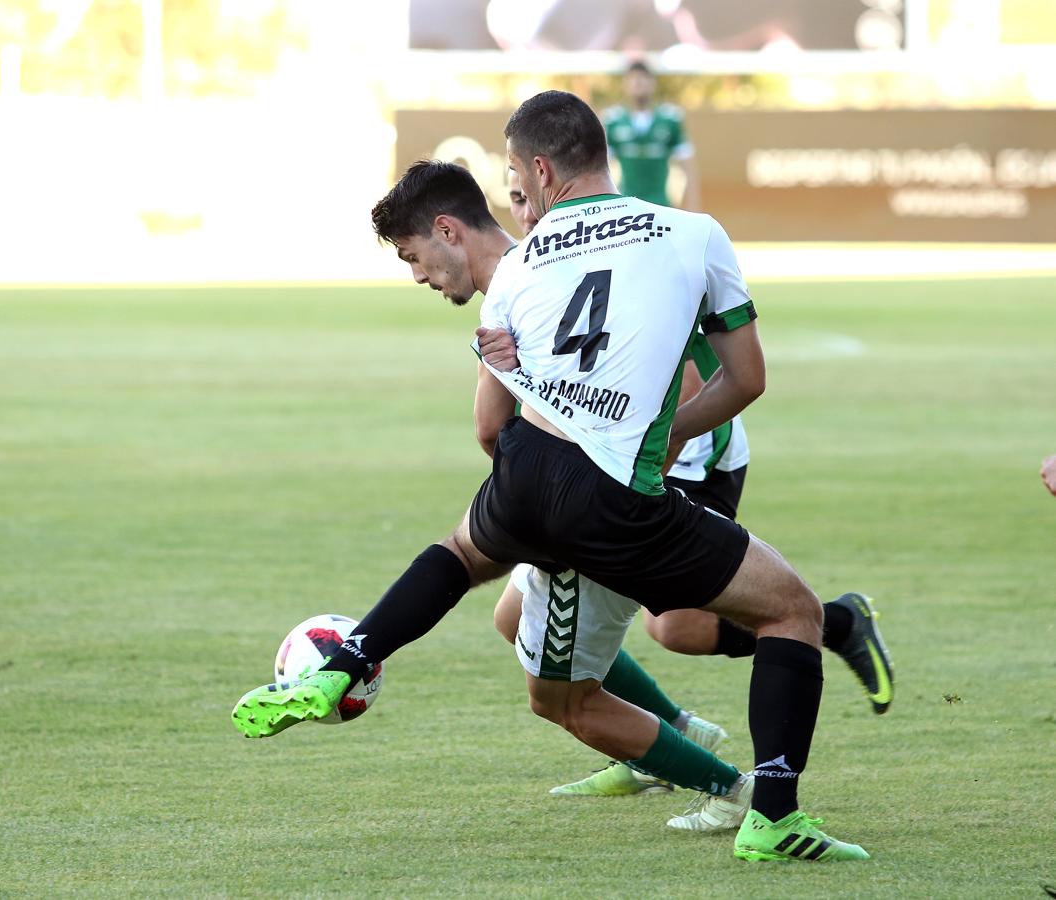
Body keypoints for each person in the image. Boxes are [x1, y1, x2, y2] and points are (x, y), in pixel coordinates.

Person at [234, 91, 870, 862]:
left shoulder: (521, 262)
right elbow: (743, 381)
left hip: (525, 468)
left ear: (539, 169)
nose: (515, 191)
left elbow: (489, 428)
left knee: (466, 554)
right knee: (791, 610)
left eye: (512, 173)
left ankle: (351, 656)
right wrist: (655, 433)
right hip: (611, 489)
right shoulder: (693, 234)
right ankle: (772, 815)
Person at [502, 168, 893, 803]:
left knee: (677, 629)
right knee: (517, 614)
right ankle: (672, 739)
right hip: (619, 466)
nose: (523, 213)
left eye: (525, 197)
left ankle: (832, 626)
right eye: (511, 201)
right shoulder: (546, 264)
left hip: (683, 461)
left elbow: (686, 383)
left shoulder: (626, 253)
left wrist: (639, 471)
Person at [603, 61, 700, 211]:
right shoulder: (613, 120)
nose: (638, 83)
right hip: (626, 205)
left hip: (661, 204)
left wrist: (694, 208)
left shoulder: (670, 119)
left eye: (643, 79)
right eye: (633, 79)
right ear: (625, 84)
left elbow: (688, 168)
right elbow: (601, 170)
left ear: (652, 83)